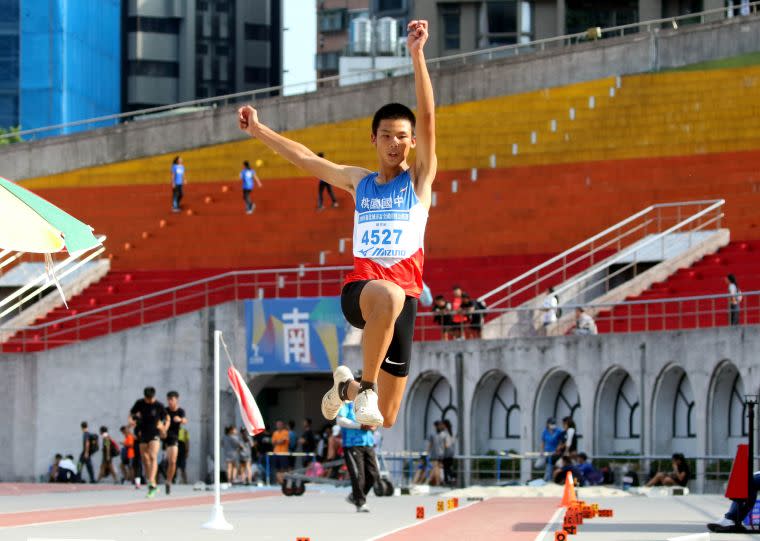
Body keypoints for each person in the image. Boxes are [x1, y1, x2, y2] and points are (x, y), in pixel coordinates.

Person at [238, 20, 436, 429]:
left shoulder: (418, 182)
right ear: (374, 140)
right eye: (386, 136)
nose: (395, 142)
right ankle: (364, 389)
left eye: (403, 136)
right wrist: (259, 130)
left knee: (387, 418)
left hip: (404, 302)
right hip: (362, 293)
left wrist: (416, 56)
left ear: (412, 142)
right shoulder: (358, 182)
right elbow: (306, 158)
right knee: (388, 294)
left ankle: (345, 389)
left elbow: (430, 116)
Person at [337, 401, 379, 512]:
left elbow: (375, 420)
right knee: (358, 475)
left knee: (373, 474)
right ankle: (360, 503)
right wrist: (360, 425)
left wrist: (375, 425)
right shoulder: (346, 403)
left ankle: (354, 496)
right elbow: (340, 420)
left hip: (368, 443)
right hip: (352, 444)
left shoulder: (368, 403)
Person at [129, 386, 169, 498]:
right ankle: (152, 483)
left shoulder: (159, 405)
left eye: (150, 399)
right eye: (147, 399)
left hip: (154, 433)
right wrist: (131, 421)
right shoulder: (140, 403)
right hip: (143, 433)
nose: (149, 401)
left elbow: (167, 418)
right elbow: (131, 414)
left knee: (152, 456)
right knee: (145, 459)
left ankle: (151, 480)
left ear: (153, 396)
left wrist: (164, 428)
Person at [163, 390, 187, 494]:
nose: (170, 402)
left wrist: (180, 420)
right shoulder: (165, 410)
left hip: (174, 437)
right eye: (168, 400)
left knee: (173, 462)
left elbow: (185, 420)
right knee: (167, 461)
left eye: (172, 399)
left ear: (176, 400)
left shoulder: (180, 411)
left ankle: (168, 481)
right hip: (163, 436)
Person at [540, 417, 563, 482]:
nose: (553, 425)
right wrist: (542, 451)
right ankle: (548, 479)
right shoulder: (545, 431)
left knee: (554, 467)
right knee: (547, 466)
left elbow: (561, 442)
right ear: (547, 424)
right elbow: (543, 442)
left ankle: (551, 479)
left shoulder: (558, 431)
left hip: (555, 453)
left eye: (553, 423)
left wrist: (558, 449)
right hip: (547, 453)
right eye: (551, 423)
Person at [271, 420, 291, 484]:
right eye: (277, 424)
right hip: (276, 453)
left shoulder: (286, 432)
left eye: (280, 424)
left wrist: (278, 441)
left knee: (284, 468)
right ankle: (279, 481)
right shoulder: (275, 433)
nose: (279, 425)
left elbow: (283, 441)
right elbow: (273, 442)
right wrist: (279, 441)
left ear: (282, 425)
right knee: (277, 468)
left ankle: (284, 481)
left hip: (283, 453)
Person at [441, 418, 456, 486]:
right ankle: (449, 479)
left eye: (442, 424)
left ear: (445, 425)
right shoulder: (451, 432)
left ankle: (450, 479)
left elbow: (446, 444)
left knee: (446, 467)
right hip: (451, 452)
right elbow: (452, 441)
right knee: (448, 466)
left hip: (447, 452)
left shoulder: (445, 433)